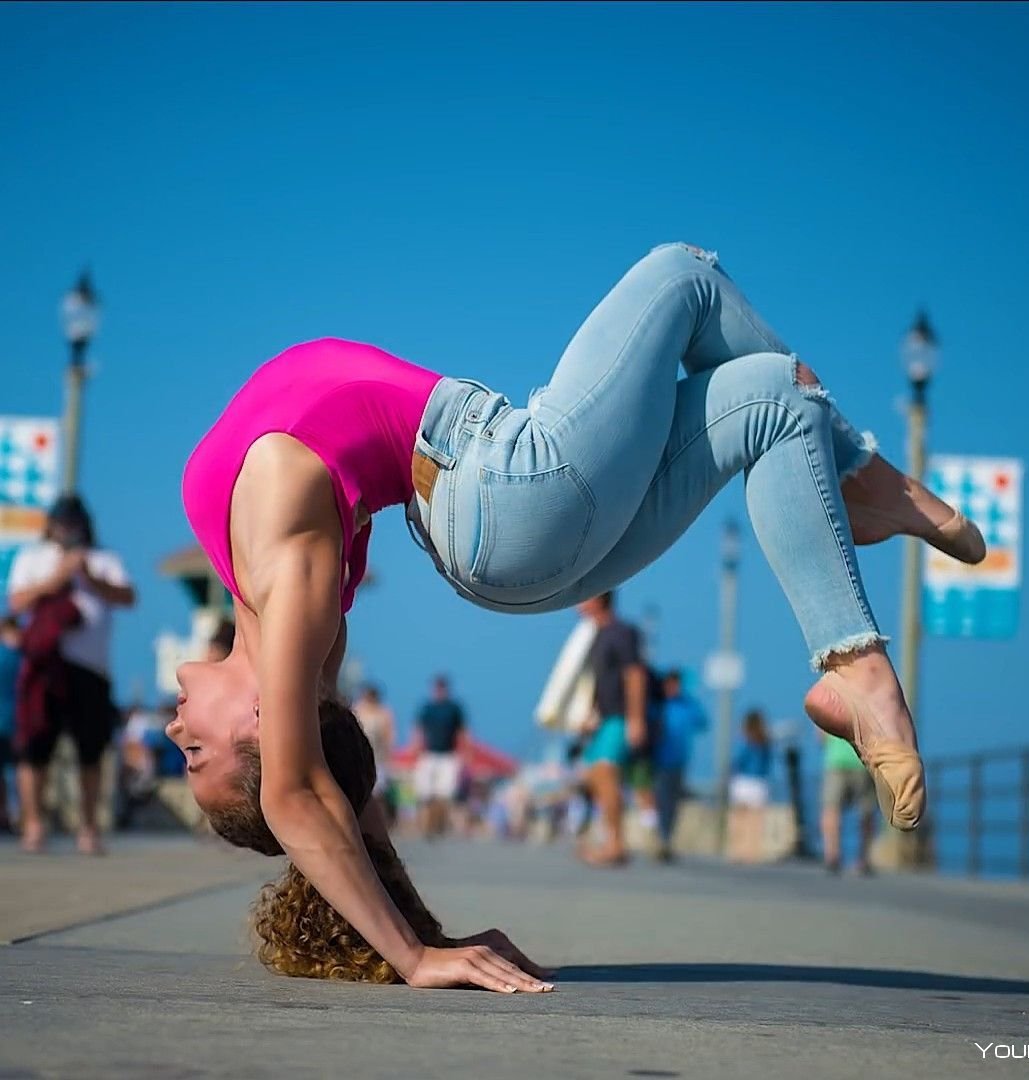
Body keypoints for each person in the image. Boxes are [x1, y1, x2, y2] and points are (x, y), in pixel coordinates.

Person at [172, 241, 983, 990]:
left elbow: (342, 797)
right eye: (197, 753)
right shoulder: (287, 586)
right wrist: (415, 956)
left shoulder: (293, 622)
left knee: (776, 403)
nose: (174, 732)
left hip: (515, 531)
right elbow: (299, 789)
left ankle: (854, 666)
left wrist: (412, 919)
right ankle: (867, 484)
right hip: (505, 487)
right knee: (684, 274)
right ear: (259, 723)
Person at [8, 496, 135, 854]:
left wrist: (89, 577)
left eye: (73, 522)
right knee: (34, 748)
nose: (67, 529)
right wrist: (57, 578)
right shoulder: (32, 558)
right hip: (43, 666)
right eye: (62, 522)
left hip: (90, 669)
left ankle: (89, 826)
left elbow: (128, 597)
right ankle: (33, 823)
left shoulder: (104, 559)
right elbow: (17, 602)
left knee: (90, 750)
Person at [574, 592, 649, 867]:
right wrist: (591, 713)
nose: (576, 603)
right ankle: (610, 839)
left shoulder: (622, 632)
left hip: (621, 716)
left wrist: (636, 718)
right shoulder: (595, 635)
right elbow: (599, 681)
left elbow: (635, 673)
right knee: (594, 776)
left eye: (582, 597)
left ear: (598, 599)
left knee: (605, 773)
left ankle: (616, 845)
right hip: (605, 719)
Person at [652, 669, 708, 862]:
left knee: (673, 802)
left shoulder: (687, 705)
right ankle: (660, 838)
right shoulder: (657, 704)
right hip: (658, 759)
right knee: (660, 800)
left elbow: (702, 722)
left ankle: (666, 840)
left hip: (679, 760)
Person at [414, 676, 465, 839]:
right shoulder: (427, 708)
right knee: (425, 794)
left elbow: (462, 732)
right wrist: (415, 748)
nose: (439, 691)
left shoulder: (454, 708)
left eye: (442, 688)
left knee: (444, 794)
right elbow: (418, 729)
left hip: (448, 755)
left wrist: (466, 751)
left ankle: (437, 826)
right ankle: (426, 826)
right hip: (429, 754)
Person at [821, 732, 878, 875]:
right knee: (866, 811)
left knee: (831, 808)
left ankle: (832, 855)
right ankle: (863, 858)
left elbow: (820, 734)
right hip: (864, 759)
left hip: (837, 759)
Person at [728, 709, 773, 861]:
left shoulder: (744, 741)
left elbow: (736, 761)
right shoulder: (765, 742)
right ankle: (752, 852)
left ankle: (737, 850)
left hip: (742, 782)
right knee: (755, 822)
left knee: (738, 819)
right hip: (758, 783)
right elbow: (767, 763)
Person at [353, 683, 397, 823]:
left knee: (378, 794)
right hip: (360, 758)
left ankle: (381, 820)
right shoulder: (358, 709)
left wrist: (389, 756)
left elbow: (389, 737)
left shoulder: (384, 713)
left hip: (379, 759)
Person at [0, 615, 22, 832]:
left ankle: (6, 814)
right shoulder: (22, 657)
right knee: (15, 772)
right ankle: (14, 815)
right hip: (16, 723)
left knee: (9, 774)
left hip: (11, 723)